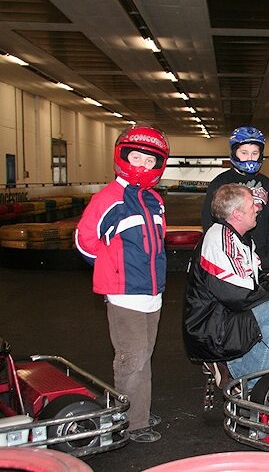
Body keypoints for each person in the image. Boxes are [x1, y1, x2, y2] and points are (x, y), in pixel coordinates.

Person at [75, 125, 169, 443]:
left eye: (149, 160)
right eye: (137, 158)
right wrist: (111, 267)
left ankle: (137, 408)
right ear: (123, 157)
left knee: (145, 355)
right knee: (132, 359)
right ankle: (133, 422)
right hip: (125, 294)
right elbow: (84, 241)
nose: (142, 165)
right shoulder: (108, 199)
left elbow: (157, 243)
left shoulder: (154, 200)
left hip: (152, 293)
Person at [184, 183, 269, 390]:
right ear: (237, 214)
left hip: (230, 321)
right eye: (252, 205)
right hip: (210, 330)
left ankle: (229, 367)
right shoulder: (218, 239)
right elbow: (235, 295)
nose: (258, 208)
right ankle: (247, 386)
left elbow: (256, 284)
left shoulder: (242, 241)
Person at [201, 126, 269, 274]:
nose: (250, 158)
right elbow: (208, 221)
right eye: (244, 153)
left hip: (261, 256)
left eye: (254, 153)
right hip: (228, 258)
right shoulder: (220, 183)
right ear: (234, 152)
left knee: (263, 296)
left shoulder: (267, 184)